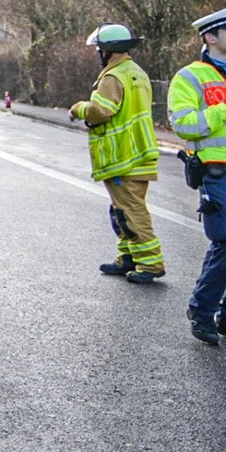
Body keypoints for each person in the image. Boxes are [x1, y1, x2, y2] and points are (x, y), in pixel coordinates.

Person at [168, 4, 226, 346]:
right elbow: (185, 125)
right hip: (220, 172)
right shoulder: (189, 77)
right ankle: (202, 311)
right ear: (210, 37)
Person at [71, 24, 164, 283]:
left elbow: (100, 111)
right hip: (139, 153)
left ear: (107, 51)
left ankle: (150, 264)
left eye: (98, 50)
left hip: (122, 157)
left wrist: (79, 109)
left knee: (131, 211)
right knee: (122, 209)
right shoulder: (136, 72)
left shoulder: (113, 77)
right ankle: (127, 257)